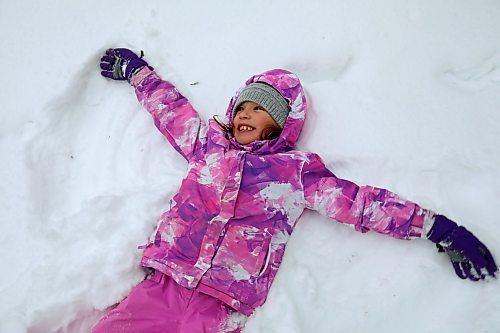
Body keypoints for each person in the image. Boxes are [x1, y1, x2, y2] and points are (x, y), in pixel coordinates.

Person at [93, 48, 498, 333]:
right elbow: (172, 110)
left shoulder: (294, 175)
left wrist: (437, 229)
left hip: (223, 302)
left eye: (261, 108)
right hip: (164, 281)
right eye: (242, 108)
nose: (247, 115)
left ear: (284, 123)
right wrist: (140, 74)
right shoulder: (206, 146)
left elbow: (360, 204)